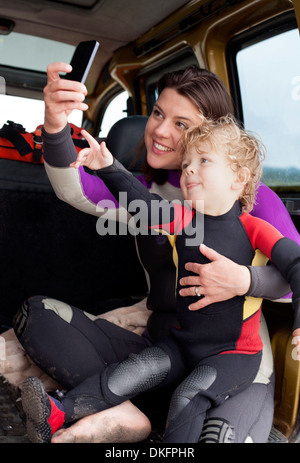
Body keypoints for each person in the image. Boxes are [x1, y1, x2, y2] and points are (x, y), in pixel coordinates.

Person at [14, 64, 299, 443]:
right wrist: (56, 125)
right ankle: (119, 412)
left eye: (182, 124)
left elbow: (293, 274)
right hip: (168, 341)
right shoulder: (155, 196)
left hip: (236, 354)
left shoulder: (254, 201)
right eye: (159, 113)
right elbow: (75, 189)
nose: (161, 130)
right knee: (40, 316)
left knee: (211, 428)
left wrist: (245, 280)